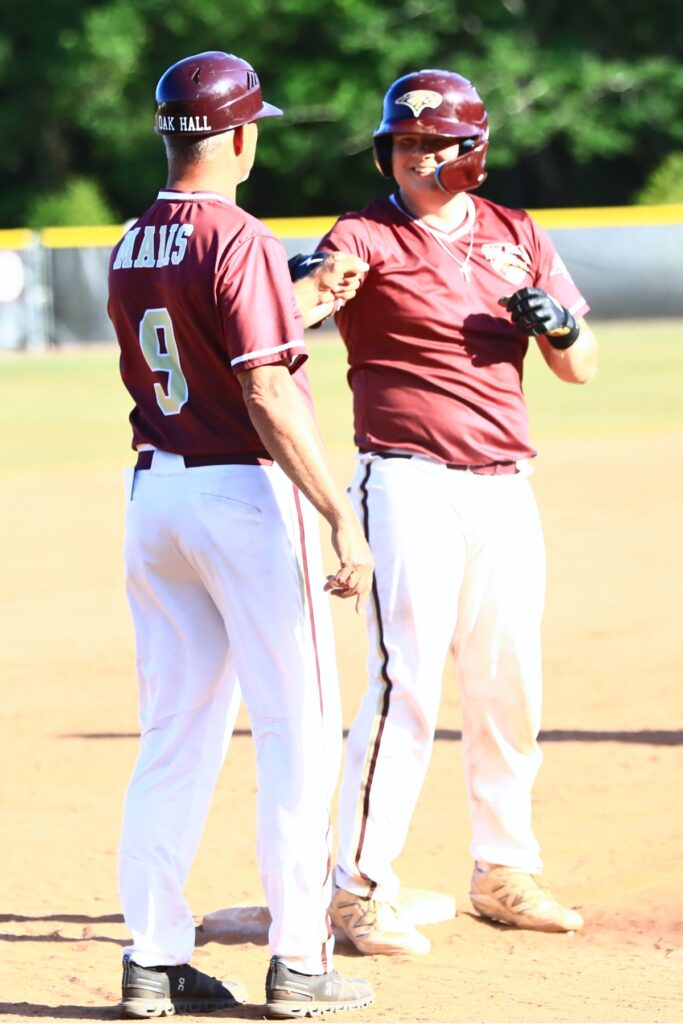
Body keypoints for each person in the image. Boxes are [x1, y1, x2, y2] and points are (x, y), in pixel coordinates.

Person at [299, 68, 598, 955]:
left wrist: (560, 328)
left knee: (509, 683)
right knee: (406, 683)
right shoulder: (363, 231)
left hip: (504, 484)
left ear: (475, 151)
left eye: (435, 143)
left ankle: (503, 870)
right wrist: (306, 283)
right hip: (406, 480)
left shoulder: (515, 234)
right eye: (404, 142)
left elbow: (578, 369)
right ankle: (356, 884)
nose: (416, 156)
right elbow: (305, 304)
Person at [107, 50, 375, 1018]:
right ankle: (300, 962)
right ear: (239, 135)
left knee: (173, 735)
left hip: (157, 499)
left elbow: (201, 344)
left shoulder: (136, 237)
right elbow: (262, 387)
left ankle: (152, 958)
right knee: (298, 734)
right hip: (245, 502)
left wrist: (302, 301)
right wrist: (339, 511)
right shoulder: (242, 234)